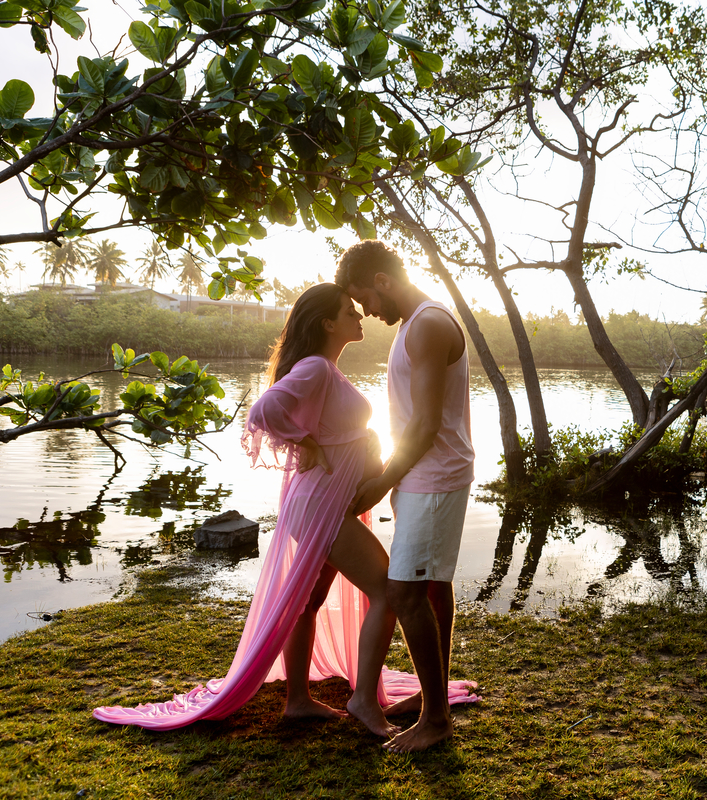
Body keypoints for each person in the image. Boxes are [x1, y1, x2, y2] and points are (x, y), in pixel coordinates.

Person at [93, 284, 478, 732]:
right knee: (386, 591)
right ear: (327, 323)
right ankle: (362, 703)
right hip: (321, 505)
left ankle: (298, 699)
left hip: (324, 502)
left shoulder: (325, 368)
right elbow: (264, 409)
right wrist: (305, 442)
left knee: (310, 599)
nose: (360, 315)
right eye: (348, 310)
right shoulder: (316, 366)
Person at [336, 240, 475, 753]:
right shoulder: (416, 323)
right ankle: (430, 696)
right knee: (433, 587)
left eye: (364, 299)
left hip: (433, 477)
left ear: (382, 281)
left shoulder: (429, 325)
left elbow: (424, 425)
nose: (368, 312)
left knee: (405, 592)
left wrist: (380, 481)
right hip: (427, 475)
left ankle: (436, 721)